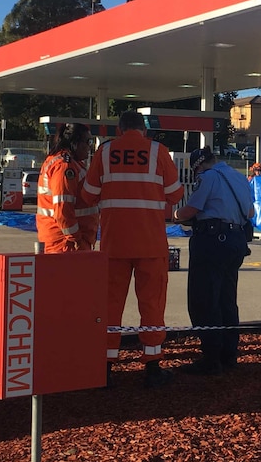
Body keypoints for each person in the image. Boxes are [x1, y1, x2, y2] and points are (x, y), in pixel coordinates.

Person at [82, 111, 185, 388]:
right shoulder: (158, 151)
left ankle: (105, 368)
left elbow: (88, 193)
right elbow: (175, 194)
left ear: (120, 129)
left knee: (110, 305)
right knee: (152, 305)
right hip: (151, 244)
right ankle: (152, 366)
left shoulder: (104, 153)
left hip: (115, 244)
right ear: (143, 129)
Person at [172, 147, 254, 375]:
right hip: (236, 242)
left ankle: (211, 356)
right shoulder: (238, 177)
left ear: (199, 165)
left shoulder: (207, 178)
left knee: (205, 299)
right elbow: (250, 213)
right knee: (228, 299)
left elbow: (191, 209)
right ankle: (229, 353)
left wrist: (175, 215)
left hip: (211, 242)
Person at [36, 123, 98, 253]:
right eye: (88, 142)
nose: (90, 147)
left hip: (66, 241)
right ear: (75, 142)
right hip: (66, 244)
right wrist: (76, 239)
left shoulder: (69, 163)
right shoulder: (64, 167)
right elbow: (63, 209)